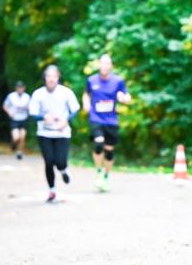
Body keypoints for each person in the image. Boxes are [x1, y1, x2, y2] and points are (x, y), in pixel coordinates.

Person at [29, 65, 81, 203]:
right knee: (49, 161)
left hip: (62, 132)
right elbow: (32, 113)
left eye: (54, 76)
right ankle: (52, 190)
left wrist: (66, 120)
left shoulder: (66, 92)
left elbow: (75, 109)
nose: (51, 79)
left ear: (58, 78)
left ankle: (63, 171)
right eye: (48, 76)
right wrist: (43, 117)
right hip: (44, 133)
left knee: (60, 161)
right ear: (45, 78)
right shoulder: (38, 94)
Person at [82, 54, 131, 191]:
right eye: (102, 63)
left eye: (107, 63)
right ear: (99, 65)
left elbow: (126, 95)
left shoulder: (118, 81)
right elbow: (86, 93)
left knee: (109, 150)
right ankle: (98, 172)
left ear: (111, 66)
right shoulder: (91, 80)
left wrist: (125, 98)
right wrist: (86, 103)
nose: (105, 66)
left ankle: (106, 175)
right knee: (98, 143)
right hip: (96, 118)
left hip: (111, 120)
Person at [3, 81, 31, 159]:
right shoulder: (11, 96)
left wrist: (28, 108)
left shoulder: (27, 97)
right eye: (19, 87)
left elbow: (31, 107)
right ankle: (13, 144)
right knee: (16, 137)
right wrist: (9, 112)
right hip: (15, 119)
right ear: (16, 88)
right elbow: (5, 105)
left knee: (22, 137)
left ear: (24, 88)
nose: (20, 89)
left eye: (21, 87)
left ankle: (20, 152)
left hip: (24, 119)